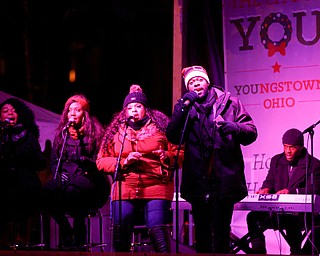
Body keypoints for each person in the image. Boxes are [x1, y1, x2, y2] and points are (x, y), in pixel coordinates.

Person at [165, 65, 258, 253]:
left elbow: (252, 132)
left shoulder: (230, 103)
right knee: (203, 233)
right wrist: (183, 108)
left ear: (206, 82)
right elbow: (173, 136)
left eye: (198, 80)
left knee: (222, 231)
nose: (195, 83)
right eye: (191, 82)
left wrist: (234, 127)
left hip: (224, 177)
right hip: (198, 179)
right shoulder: (185, 107)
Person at [96, 84, 178, 253]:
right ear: (124, 111)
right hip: (125, 185)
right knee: (121, 231)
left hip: (156, 184)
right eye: (130, 107)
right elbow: (101, 160)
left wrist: (167, 156)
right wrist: (123, 162)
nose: (134, 110)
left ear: (146, 109)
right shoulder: (117, 132)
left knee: (158, 230)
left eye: (138, 106)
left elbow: (179, 152)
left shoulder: (161, 128)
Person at [41, 94, 110, 249]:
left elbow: (100, 162)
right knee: (45, 193)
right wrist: (58, 174)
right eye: (70, 110)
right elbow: (54, 160)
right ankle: (67, 231)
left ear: (84, 114)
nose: (72, 113)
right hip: (67, 178)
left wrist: (85, 161)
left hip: (90, 179)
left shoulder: (95, 134)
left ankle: (79, 239)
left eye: (77, 110)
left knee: (75, 192)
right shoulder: (62, 134)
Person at [246, 128, 320, 255]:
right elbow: (269, 180)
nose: (288, 151)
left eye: (292, 147)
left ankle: (301, 253)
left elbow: (316, 189)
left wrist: (293, 191)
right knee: (252, 217)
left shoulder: (314, 164)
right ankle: (258, 253)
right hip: (279, 214)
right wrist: (266, 188)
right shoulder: (277, 160)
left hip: (301, 216)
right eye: (285, 147)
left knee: (306, 225)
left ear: (301, 147)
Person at [0, 97, 47, 248]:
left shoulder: (28, 136)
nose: (10, 112)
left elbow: (40, 163)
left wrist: (30, 155)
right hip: (5, 183)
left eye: (14, 110)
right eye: (5, 110)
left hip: (25, 185)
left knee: (25, 195)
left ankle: (23, 241)